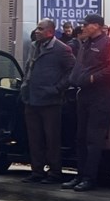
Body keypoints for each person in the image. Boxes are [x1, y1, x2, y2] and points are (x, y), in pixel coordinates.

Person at [63, 13, 110, 192]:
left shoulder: (109, 44)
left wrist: (92, 78)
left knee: (93, 138)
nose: (83, 27)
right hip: (84, 94)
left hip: (101, 95)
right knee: (80, 137)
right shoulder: (86, 43)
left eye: (87, 25)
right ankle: (80, 174)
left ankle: (90, 178)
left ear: (96, 26)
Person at [19, 18, 76, 184]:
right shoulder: (34, 46)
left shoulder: (62, 49)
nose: (37, 31)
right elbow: (29, 68)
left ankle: (54, 173)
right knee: (34, 137)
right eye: (37, 28)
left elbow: (72, 71)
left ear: (50, 32)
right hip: (32, 99)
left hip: (51, 102)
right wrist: (24, 87)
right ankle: (37, 171)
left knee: (52, 139)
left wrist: (57, 88)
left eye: (40, 29)